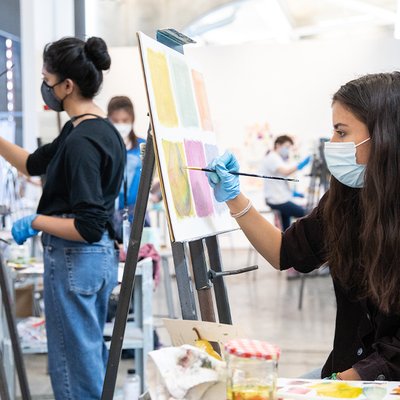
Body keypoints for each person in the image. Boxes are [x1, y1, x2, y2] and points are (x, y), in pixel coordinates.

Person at [206, 72, 400, 381]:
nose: (331, 144)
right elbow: (285, 252)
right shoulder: (346, 200)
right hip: (348, 367)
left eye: (341, 132)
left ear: (384, 136)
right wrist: (234, 197)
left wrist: (342, 383)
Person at [0, 37, 125, 399]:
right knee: (87, 361)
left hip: (77, 258)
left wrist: (35, 222)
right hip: (92, 262)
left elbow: (86, 227)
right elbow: (30, 164)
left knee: (73, 371)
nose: (46, 89)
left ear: (67, 86)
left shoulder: (83, 141)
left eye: (47, 80)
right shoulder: (90, 129)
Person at [107, 96, 148, 244]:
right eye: (116, 121)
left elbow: (154, 178)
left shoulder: (143, 146)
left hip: (138, 213)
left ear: (132, 119)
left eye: (125, 120)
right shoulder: (105, 147)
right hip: (109, 214)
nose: (121, 125)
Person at [260, 135, 310, 231]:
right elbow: (285, 171)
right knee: (306, 215)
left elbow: (280, 180)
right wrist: (301, 165)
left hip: (280, 197)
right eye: (286, 147)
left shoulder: (278, 158)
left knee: (286, 228)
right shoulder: (272, 157)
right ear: (278, 145)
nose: (287, 150)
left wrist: (292, 193)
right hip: (277, 200)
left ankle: (286, 244)